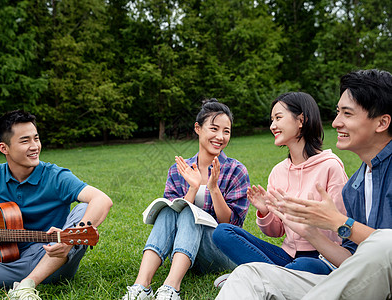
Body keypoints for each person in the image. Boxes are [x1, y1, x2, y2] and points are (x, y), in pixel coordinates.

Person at [216, 69, 392, 300]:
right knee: (246, 274)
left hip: (323, 264)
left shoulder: (331, 166)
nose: (336, 122)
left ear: (382, 122)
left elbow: (382, 252)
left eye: (347, 114)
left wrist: (338, 223)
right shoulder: (355, 186)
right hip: (331, 270)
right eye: (337, 112)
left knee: (384, 242)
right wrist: (303, 228)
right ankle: (278, 273)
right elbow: (355, 264)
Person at [0, 110, 113, 300]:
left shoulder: (56, 176)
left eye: (36, 138)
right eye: (25, 141)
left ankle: (26, 286)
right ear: (3, 148)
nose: (34, 146)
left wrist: (68, 241)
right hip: (3, 264)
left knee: (82, 209)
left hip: (52, 261)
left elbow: (102, 199)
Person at [212, 92, 348, 289]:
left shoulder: (330, 166)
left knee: (304, 264)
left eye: (278, 118)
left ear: (301, 119)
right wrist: (265, 211)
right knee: (223, 232)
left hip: (322, 257)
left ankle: (254, 275)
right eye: (271, 120)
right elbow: (276, 231)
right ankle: (266, 276)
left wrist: (306, 218)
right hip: (287, 255)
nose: (272, 126)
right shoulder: (278, 172)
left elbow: (341, 226)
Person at [122, 99, 250, 300]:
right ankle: (141, 286)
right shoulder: (178, 170)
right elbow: (172, 212)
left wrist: (214, 189)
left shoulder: (235, 171)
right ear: (198, 128)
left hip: (220, 251)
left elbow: (231, 226)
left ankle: (171, 288)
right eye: (214, 129)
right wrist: (192, 188)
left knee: (191, 213)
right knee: (169, 210)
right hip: (184, 249)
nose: (220, 137)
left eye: (226, 131)